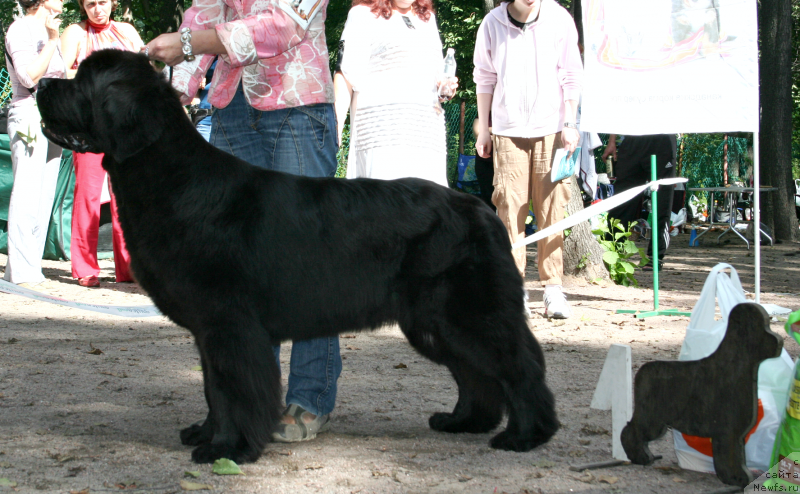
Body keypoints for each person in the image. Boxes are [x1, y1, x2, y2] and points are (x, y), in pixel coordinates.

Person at [145, 0, 341, 443]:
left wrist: (188, 43)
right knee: (239, 276)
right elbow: (205, 11)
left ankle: (311, 397)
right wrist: (178, 85)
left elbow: (281, 26)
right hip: (231, 110)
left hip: (296, 107)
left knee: (306, 265)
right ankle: (248, 405)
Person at [473, 0, 582, 319]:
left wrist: (571, 122)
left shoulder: (559, 19)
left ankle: (553, 290)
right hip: (507, 132)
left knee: (552, 209)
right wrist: (484, 130)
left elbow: (572, 75)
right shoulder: (492, 24)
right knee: (509, 211)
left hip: (552, 129)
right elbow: (484, 78)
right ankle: (513, 290)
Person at [61, 0, 142, 287]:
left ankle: (129, 266)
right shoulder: (74, 33)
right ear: (83, 6)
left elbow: (144, 71)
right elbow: (60, 73)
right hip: (89, 127)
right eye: (91, 3)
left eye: (103, 2)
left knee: (127, 196)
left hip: (124, 125)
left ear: (113, 3)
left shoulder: (127, 32)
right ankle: (84, 267)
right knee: (87, 196)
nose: (98, 8)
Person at [334, 0, 457, 186]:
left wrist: (445, 89)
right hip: (383, 137)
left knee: (427, 209)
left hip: (426, 137)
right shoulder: (362, 14)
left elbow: (438, 77)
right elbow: (345, 75)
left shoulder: (427, 19)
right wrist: (334, 130)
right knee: (383, 207)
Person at [3, 0, 66, 289]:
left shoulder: (49, 28)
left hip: (53, 116)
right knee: (27, 189)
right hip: (29, 113)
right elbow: (28, 76)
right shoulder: (21, 29)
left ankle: (32, 265)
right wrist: (52, 41)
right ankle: (19, 270)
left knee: (44, 193)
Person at [602, 134, 677, 270]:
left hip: (662, 139)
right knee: (622, 199)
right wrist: (612, 141)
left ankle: (656, 256)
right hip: (633, 138)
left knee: (662, 200)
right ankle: (613, 249)